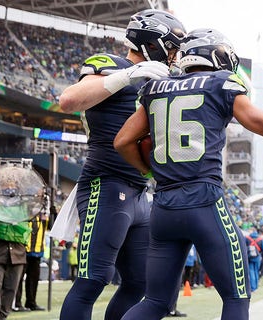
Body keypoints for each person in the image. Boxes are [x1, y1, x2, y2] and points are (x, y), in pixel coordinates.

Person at [113, 28, 263, 320]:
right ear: (215, 54)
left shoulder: (156, 88)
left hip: (163, 205)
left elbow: (122, 141)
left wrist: (148, 170)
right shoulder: (220, 83)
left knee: (154, 302)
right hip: (203, 202)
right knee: (236, 297)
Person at [57, 9, 187, 320]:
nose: (173, 55)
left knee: (139, 282)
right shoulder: (111, 65)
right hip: (105, 183)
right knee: (93, 279)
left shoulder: (163, 78)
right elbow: (68, 100)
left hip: (140, 193)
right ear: (151, 44)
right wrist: (127, 75)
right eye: (170, 47)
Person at [0, 166, 32, 320]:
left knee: (10, 289)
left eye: (12, 183)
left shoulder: (26, 202)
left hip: (18, 249)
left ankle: (1, 316)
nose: (10, 186)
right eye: (6, 183)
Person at [14, 211, 49, 312]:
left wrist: (53, 214)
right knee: (18, 278)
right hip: (23, 249)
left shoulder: (43, 214)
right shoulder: (25, 211)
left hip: (37, 251)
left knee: (33, 279)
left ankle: (31, 302)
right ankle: (17, 303)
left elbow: (51, 227)